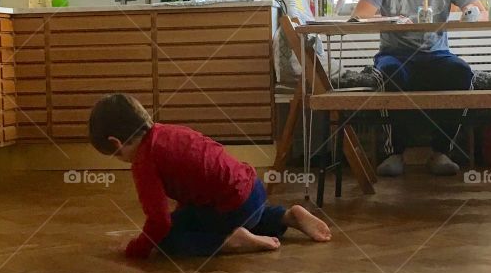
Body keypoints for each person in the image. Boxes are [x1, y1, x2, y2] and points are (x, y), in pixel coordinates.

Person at [89, 93, 332, 258]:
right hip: (253, 191)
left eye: (118, 156)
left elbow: (159, 222)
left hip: (233, 209)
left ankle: (230, 242)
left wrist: (136, 250)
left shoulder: (143, 161)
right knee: (222, 213)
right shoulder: (168, 132)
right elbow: (196, 179)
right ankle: (286, 217)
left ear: (116, 143)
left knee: (166, 239)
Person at [353, 0, 487, 176]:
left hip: (437, 54)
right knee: (390, 73)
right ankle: (395, 152)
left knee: (462, 73)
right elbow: (359, 16)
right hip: (395, 53)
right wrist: (393, 20)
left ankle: (441, 151)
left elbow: (481, 11)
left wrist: (470, 11)